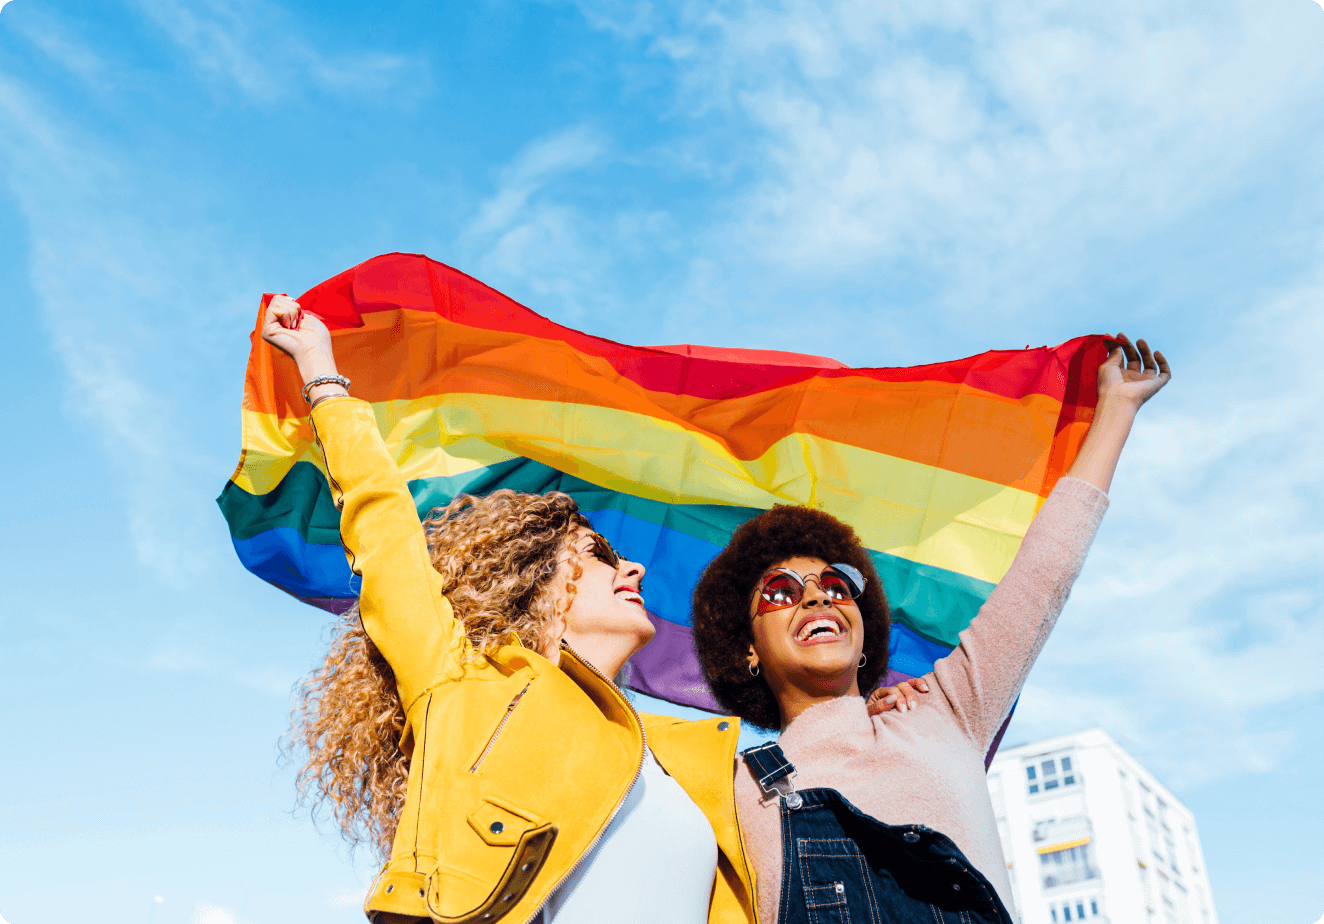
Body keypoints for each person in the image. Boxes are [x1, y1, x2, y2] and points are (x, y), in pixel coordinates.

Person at [262, 294, 761, 924]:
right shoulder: (462, 687)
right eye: (599, 552)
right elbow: (385, 531)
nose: (633, 569)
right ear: (532, 579)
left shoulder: (687, 756)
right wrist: (321, 374)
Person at [690, 335, 1171, 924]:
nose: (817, 595)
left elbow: (1043, 574)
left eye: (838, 587)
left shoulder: (948, 713)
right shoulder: (730, 788)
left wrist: (1116, 410)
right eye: (782, 592)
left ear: (866, 635)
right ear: (745, 652)